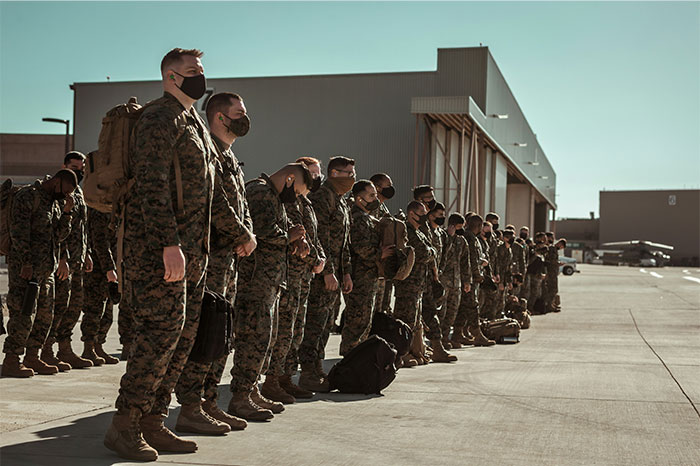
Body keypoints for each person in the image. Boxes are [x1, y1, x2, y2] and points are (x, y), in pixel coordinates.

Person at [104, 48, 216, 462]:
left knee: (179, 340)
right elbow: (151, 185)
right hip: (156, 253)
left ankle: (153, 423)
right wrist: (170, 244)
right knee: (157, 338)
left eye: (201, 71)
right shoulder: (158, 118)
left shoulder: (194, 123)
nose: (199, 78)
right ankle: (124, 425)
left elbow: (205, 190)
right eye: (192, 72)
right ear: (170, 76)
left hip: (191, 253)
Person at [174, 92, 255, 433]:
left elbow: (240, 203)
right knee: (205, 331)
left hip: (228, 259)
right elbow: (217, 203)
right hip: (210, 258)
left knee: (222, 333)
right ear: (220, 117)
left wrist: (246, 232)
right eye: (239, 111)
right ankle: (190, 406)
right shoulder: (208, 150)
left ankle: (208, 402)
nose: (245, 116)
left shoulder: (229, 155)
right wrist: (242, 234)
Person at [228, 163, 311, 421]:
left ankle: (251, 389)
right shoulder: (261, 192)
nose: (296, 197)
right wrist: (291, 236)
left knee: (265, 339)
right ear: (288, 178)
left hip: (269, 281)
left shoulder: (274, 197)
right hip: (255, 281)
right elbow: (263, 232)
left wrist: (293, 241)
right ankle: (241, 396)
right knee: (253, 338)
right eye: (297, 191)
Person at [1, 170, 76, 377]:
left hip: (46, 271)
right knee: (23, 314)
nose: (66, 195)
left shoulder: (54, 202)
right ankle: (11, 360)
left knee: (44, 316)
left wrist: (68, 213)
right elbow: (19, 232)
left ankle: (33, 357)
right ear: (57, 181)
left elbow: (59, 236)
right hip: (26, 269)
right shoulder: (28, 196)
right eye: (66, 191)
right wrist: (26, 262)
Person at [263, 156, 325, 403]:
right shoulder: (286, 199)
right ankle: (272, 379)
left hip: (303, 278)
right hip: (289, 273)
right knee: (283, 331)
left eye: (318, 174)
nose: (315, 178)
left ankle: (286, 378)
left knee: (295, 330)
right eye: (311, 173)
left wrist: (321, 259)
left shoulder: (306, 203)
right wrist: (313, 260)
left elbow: (312, 236)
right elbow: (292, 238)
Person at [298, 156, 354, 392]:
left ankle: (317, 368)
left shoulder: (340, 200)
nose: (352, 177)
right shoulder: (323, 197)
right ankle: (308, 372)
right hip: (323, 274)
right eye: (348, 173)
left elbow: (344, 242)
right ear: (333, 173)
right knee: (315, 323)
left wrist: (347, 273)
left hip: (337, 274)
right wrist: (329, 272)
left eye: (353, 172)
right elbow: (321, 237)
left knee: (326, 323)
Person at [37, 152, 94, 370]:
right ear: (64, 165)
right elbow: (55, 228)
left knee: (74, 307)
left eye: (81, 168)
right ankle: (46, 350)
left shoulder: (79, 192)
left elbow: (81, 227)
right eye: (74, 166)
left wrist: (86, 253)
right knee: (57, 307)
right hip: (63, 261)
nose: (78, 171)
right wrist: (61, 258)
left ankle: (65, 349)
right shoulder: (59, 189)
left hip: (77, 259)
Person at [339, 180, 392, 356]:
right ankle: (350, 357)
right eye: (371, 195)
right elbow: (360, 247)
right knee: (357, 321)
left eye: (375, 194)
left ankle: (357, 357)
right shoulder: (358, 218)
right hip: (360, 277)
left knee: (365, 321)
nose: (375, 198)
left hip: (369, 277)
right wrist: (380, 254)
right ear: (359, 199)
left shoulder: (369, 218)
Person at [393, 201, 435, 367]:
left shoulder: (420, 232)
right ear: (412, 214)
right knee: (405, 319)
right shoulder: (407, 231)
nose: (425, 217)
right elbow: (424, 253)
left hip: (418, 284)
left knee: (415, 320)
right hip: (407, 284)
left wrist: (430, 252)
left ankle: (413, 351)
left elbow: (431, 252)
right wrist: (430, 252)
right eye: (422, 213)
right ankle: (401, 354)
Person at [79, 206, 119, 365]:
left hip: (112, 267)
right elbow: (100, 242)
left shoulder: (113, 209)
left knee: (108, 310)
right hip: (97, 269)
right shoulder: (99, 211)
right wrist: (109, 268)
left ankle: (98, 345)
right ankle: (88, 348)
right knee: (94, 309)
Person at [453, 214, 495, 347]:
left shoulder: (472, 238)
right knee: (472, 306)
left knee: (465, 308)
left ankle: (458, 334)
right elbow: (471, 261)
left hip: (470, 278)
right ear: (478, 226)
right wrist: (477, 275)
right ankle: (477, 334)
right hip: (469, 279)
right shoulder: (470, 238)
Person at [422, 202, 456, 362]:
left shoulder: (440, 234)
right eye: (439, 215)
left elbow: (444, 255)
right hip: (424, 278)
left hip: (435, 279)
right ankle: (436, 347)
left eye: (443, 215)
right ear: (430, 215)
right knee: (428, 313)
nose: (442, 218)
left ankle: (429, 346)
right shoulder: (425, 230)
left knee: (432, 312)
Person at [440, 213, 471, 349]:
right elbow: (441, 256)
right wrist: (450, 237)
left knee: (452, 312)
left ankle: (446, 338)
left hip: (456, 282)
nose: (461, 230)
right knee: (441, 312)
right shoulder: (442, 237)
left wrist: (467, 281)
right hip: (443, 282)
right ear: (452, 225)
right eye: (459, 227)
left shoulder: (462, 241)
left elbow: (465, 262)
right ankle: (437, 340)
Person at [369, 173, 395, 315]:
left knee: (378, 310)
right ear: (378, 187)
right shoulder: (370, 207)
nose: (391, 189)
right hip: (371, 264)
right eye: (388, 186)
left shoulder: (382, 207)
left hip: (381, 265)